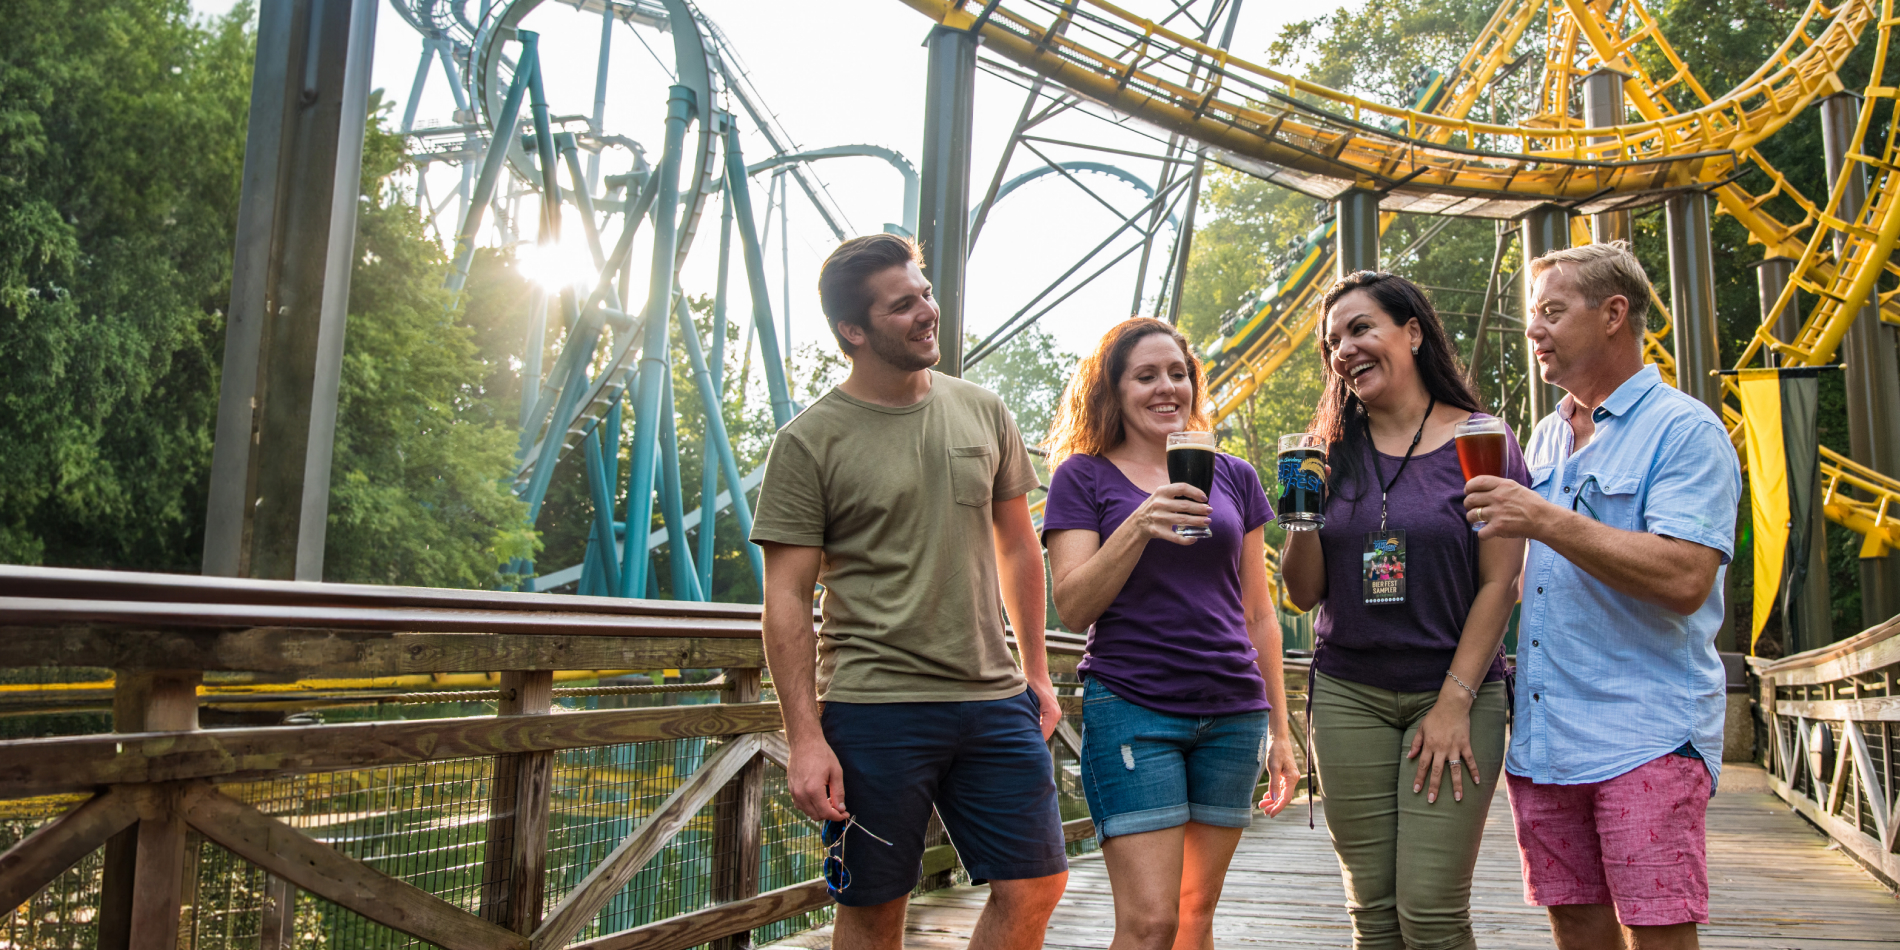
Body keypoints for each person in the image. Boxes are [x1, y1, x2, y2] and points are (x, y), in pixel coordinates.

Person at [750, 234, 1068, 950]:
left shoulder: (983, 409)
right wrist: (805, 738)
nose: (928, 312)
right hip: (873, 707)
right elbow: (787, 601)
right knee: (874, 907)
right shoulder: (807, 443)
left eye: (925, 293)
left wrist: (1037, 675)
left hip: (994, 698)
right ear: (852, 331)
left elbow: (1019, 545)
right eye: (904, 305)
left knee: (1038, 883)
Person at [1462, 241, 1739, 950]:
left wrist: (1540, 516)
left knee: (1657, 933)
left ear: (1614, 313)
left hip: (1645, 736)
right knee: (1577, 931)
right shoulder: (1546, 435)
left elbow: (1684, 579)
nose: (1534, 330)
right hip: (1546, 742)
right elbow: (1536, 576)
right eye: (1534, 314)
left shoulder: (1685, 430)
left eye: (1553, 311)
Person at [1279, 271, 1529, 950]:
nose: (1345, 350)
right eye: (1333, 342)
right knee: (1375, 915)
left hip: (1454, 691)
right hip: (1347, 694)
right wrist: (1305, 515)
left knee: (1432, 914)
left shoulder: (1485, 441)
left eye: (1361, 329)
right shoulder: (1327, 450)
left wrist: (1453, 703)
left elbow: (1500, 583)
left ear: (1412, 333)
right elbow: (1303, 593)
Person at [1041, 317, 1302, 950]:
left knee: (1193, 918)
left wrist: (1281, 729)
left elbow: (1259, 613)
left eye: (1179, 373)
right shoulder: (1083, 476)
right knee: (1149, 923)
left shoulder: (1233, 474)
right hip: (1134, 709)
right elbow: (1073, 607)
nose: (1167, 388)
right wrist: (1138, 524)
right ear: (1114, 389)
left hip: (1233, 715)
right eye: (1146, 375)